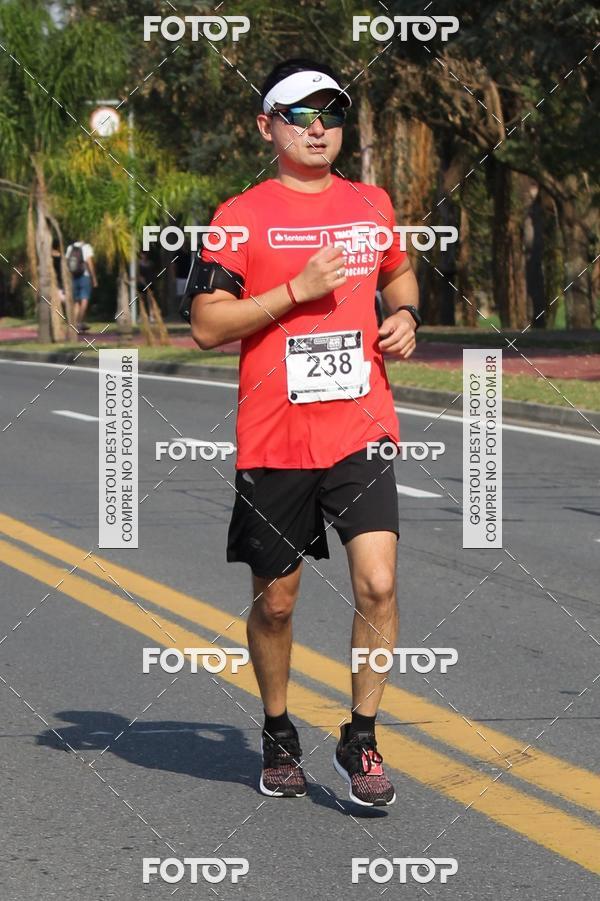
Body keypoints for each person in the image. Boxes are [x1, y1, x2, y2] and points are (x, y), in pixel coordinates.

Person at [189, 58, 421, 806]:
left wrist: (406, 315)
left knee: (378, 581)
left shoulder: (371, 202)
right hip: (275, 436)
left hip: (361, 424)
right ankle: (280, 729)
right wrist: (295, 291)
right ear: (268, 126)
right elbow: (205, 324)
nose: (319, 128)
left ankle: (362, 735)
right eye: (300, 115)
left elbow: (400, 273)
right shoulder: (240, 214)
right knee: (277, 603)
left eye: (331, 113)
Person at [65, 239, 97, 330]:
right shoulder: (86, 247)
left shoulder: (70, 247)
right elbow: (89, 263)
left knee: (76, 302)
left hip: (74, 277)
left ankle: (74, 324)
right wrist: (94, 278)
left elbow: (67, 263)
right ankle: (79, 322)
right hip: (85, 276)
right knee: (84, 300)